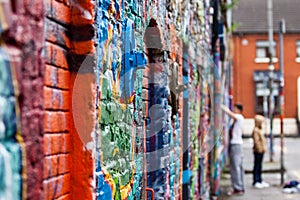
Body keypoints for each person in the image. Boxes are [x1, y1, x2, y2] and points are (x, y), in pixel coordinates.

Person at [221, 103, 245, 195]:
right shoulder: (236, 120)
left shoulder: (239, 117)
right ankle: (239, 186)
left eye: (235, 108)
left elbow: (230, 114)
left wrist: (222, 106)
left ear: (239, 110)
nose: (233, 110)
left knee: (235, 166)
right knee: (237, 166)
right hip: (235, 144)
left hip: (236, 144)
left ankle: (238, 187)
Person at [252, 115, 270, 189]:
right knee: (257, 165)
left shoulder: (258, 129)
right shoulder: (256, 130)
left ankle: (259, 179)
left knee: (259, 165)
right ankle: (256, 180)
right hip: (258, 150)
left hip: (260, 150)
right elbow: (256, 141)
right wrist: (260, 149)